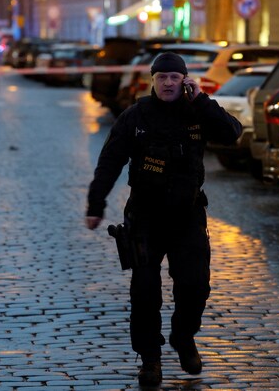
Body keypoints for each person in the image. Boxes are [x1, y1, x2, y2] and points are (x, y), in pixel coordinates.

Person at [85, 52, 242, 386]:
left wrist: (201, 99)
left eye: (175, 77)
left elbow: (232, 133)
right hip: (145, 215)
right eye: (162, 77)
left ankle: (184, 337)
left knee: (195, 286)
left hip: (187, 215)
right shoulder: (136, 116)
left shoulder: (196, 111)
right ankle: (150, 359)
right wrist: (96, 203)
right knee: (144, 293)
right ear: (152, 80)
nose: (168, 83)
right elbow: (110, 160)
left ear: (184, 80)